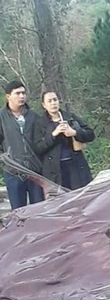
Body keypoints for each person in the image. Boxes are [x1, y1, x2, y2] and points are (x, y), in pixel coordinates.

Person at [34, 91, 94, 190]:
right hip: (55, 170)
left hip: (75, 165)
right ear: (44, 105)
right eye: (49, 101)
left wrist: (74, 132)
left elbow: (90, 134)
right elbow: (38, 148)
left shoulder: (70, 117)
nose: (53, 103)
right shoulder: (40, 123)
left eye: (55, 100)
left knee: (80, 196)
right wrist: (54, 134)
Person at [0, 80, 44, 209]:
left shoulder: (33, 116)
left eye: (23, 93)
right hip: (13, 172)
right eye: (18, 93)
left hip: (35, 172)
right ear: (8, 96)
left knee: (39, 210)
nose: (22, 96)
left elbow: (41, 142)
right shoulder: (1, 117)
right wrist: (6, 161)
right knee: (19, 213)